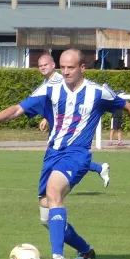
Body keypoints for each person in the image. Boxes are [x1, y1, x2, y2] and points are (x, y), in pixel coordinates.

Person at [0, 49, 130, 259]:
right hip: (52, 154)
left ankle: (57, 257)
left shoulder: (97, 92)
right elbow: (19, 109)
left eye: (70, 68)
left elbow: (127, 107)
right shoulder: (50, 89)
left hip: (77, 154)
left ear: (82, 68)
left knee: (54, 192)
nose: (65, 72)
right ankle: (86, 251)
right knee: (47, 217)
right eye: (63, 67)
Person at [37, 54, 110, 187]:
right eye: (40, 66)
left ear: (53, 65)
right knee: (61, 154)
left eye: (45, 65)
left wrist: (46, 118)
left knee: (66, 154)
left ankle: (53, 183)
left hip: (70, 127)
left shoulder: (61, 80)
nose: (42, 67)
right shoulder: (47, 82)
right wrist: (46, 118)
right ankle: (99, 168)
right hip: (58, 127)